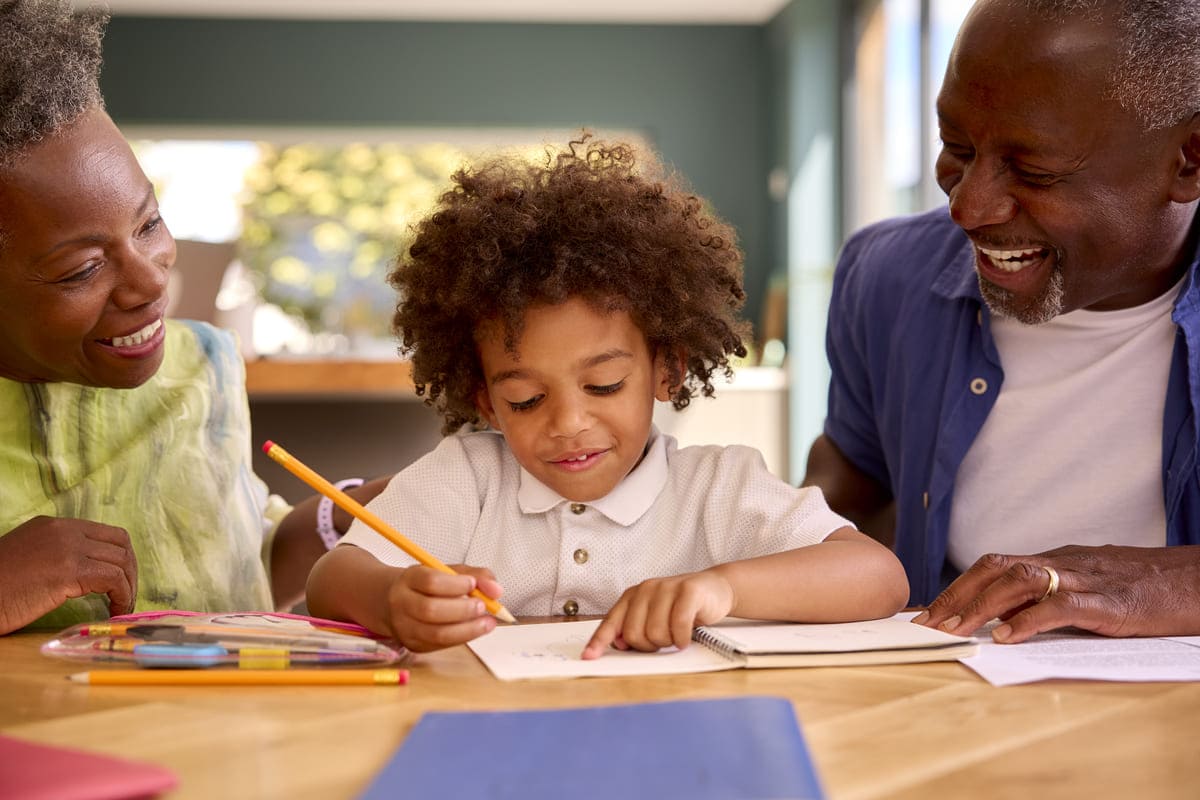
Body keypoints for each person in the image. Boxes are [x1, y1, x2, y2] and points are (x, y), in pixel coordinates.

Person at [306, 137, 909, 656]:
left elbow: (879, 577)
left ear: (666, 371)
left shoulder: (718, 486)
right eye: (524, 400)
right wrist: (390, 599)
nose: (568, 422)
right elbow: (332, 576)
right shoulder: (465, 478)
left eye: (604, 386)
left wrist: (721, 587)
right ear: (486, 402)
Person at [803, 0, 1200, 644]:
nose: (968, 207)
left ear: (1189, 160)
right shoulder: (886, 276)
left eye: (1035, 171)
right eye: (955, 147)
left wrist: (1172, 583)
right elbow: (849, 490)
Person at [0, 0, 387, 635]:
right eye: (82, 269)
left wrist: (338, 517)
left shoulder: (203, 363)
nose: (153, 281)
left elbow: (240, 570)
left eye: (148, 223)